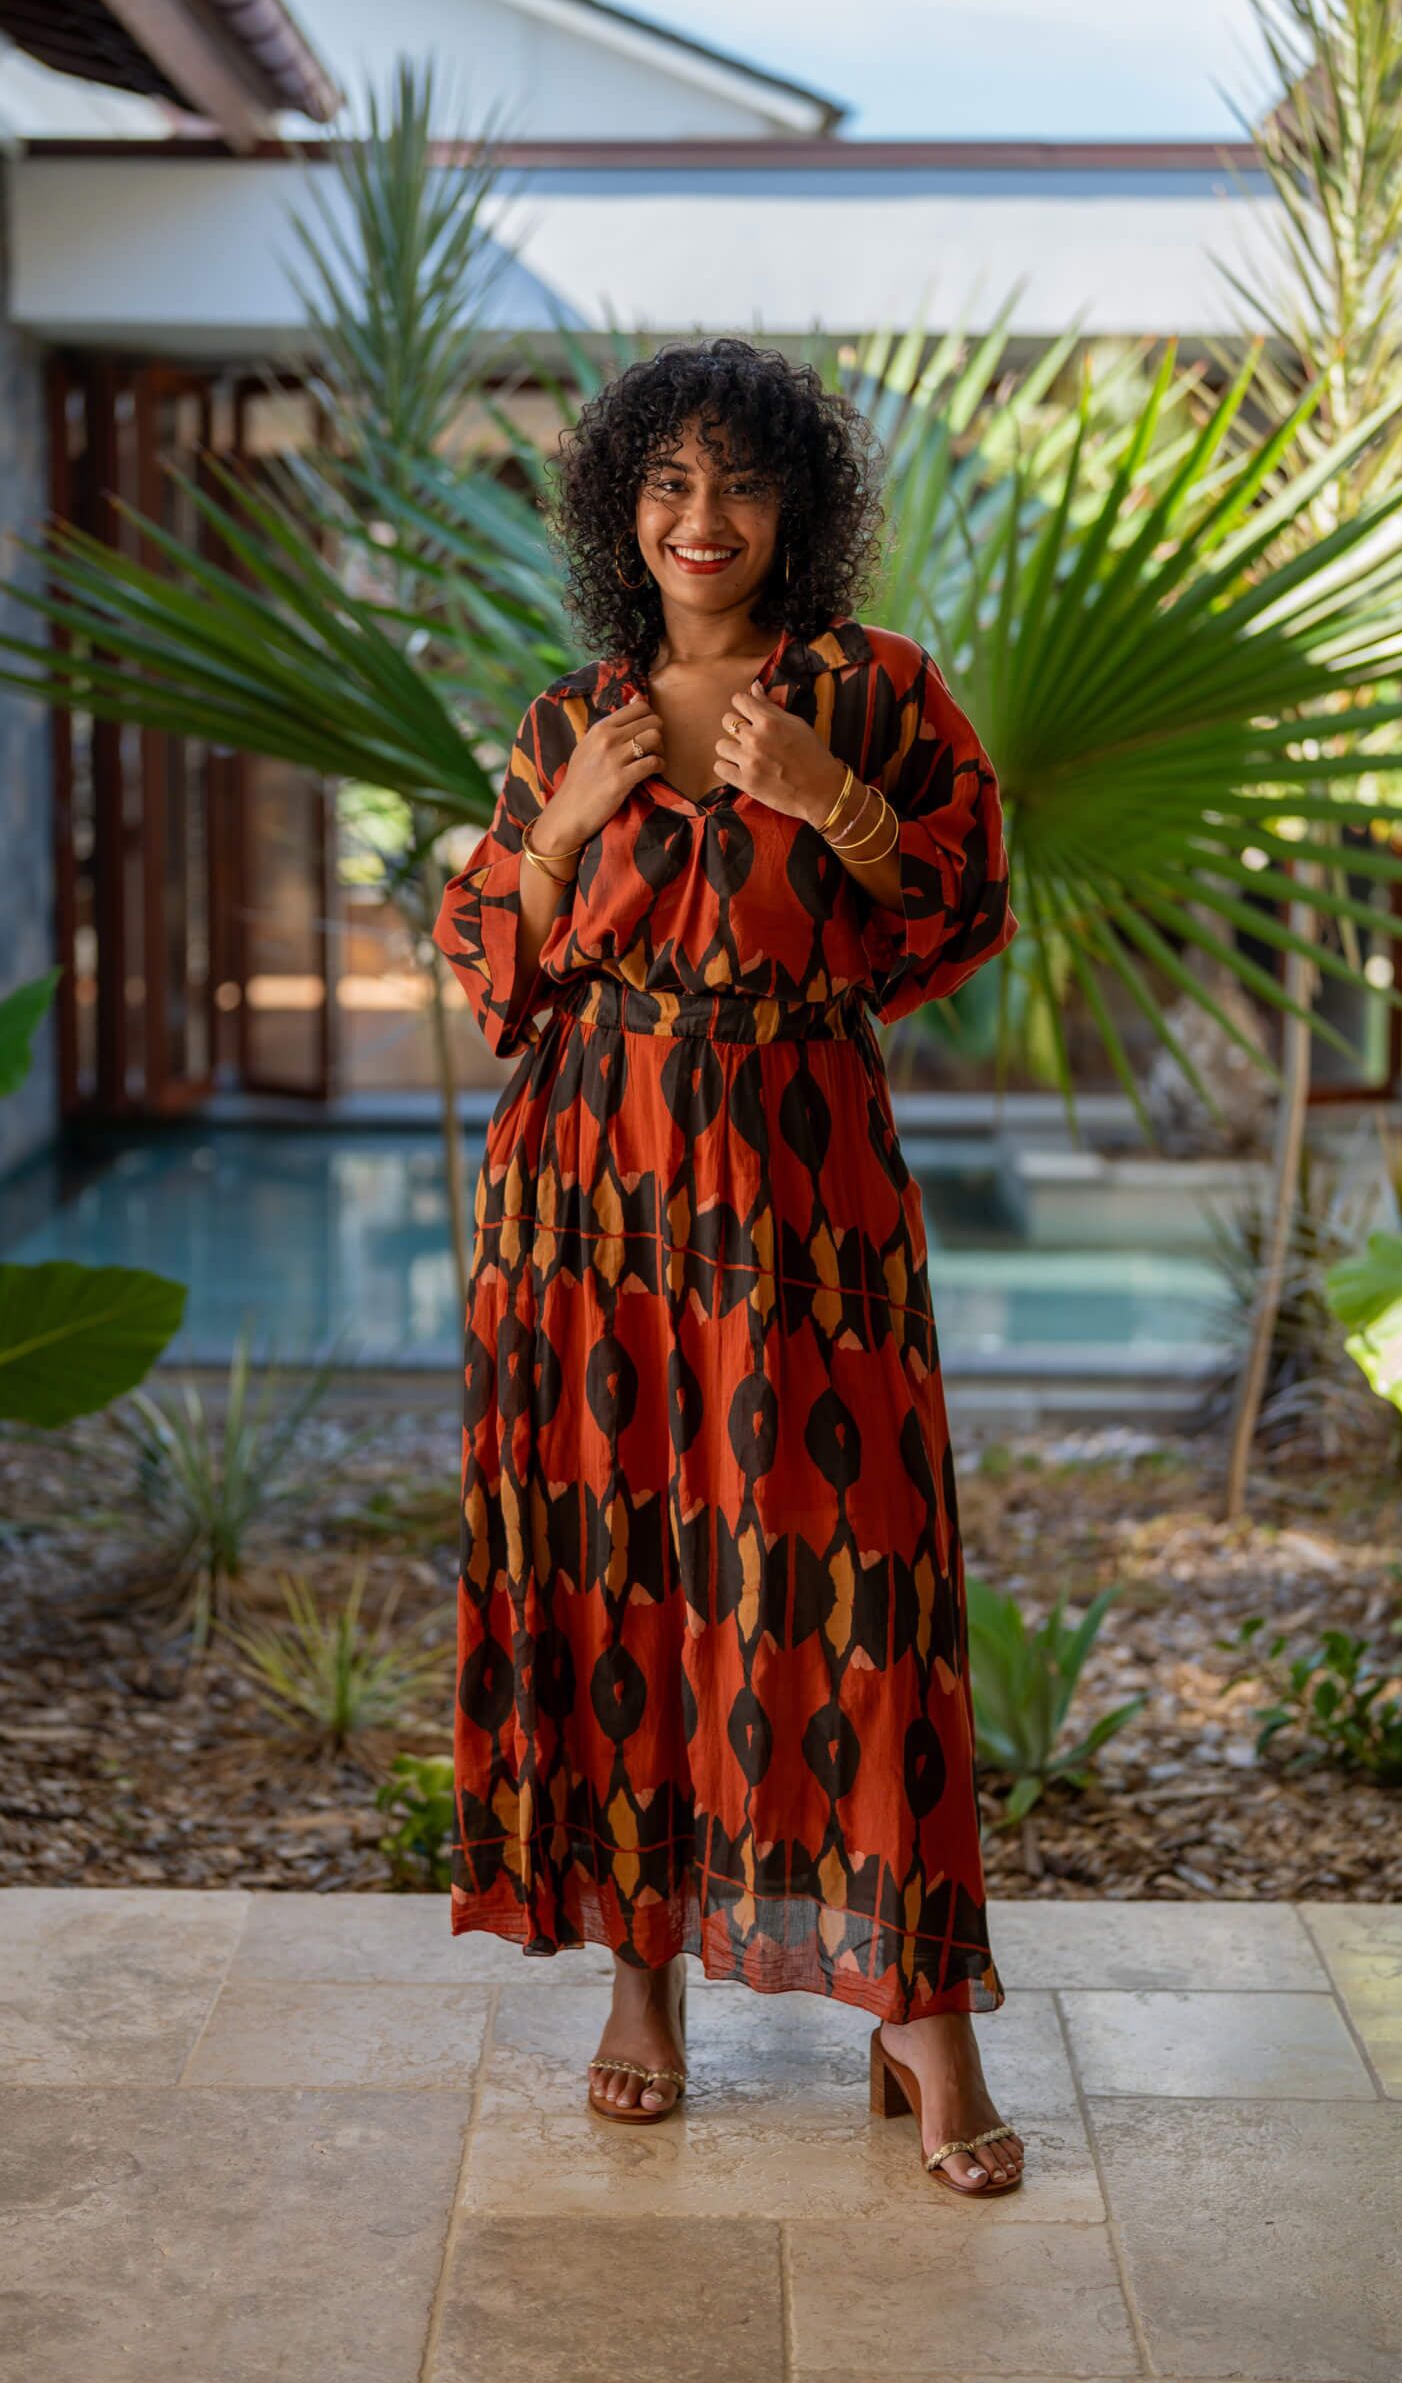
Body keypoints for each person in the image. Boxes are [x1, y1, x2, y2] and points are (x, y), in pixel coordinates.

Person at [430, 336, 1025, 2195]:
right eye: (671, 482)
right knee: (623, 1577)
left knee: (854, 1585)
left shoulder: (876, 690)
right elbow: (490, 973)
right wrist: (556, 837)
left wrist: (836, 801)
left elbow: (965, 905)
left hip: (802, 1190)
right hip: (586, 1200)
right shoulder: (572, 718)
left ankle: (920, 2014)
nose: (705, 517)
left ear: (799, 510)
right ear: (624, 507)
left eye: (743, 483)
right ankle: (644, 1984)